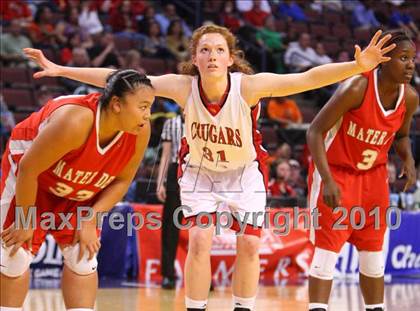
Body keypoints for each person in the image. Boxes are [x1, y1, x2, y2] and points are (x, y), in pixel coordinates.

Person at [24, 25, 394, 311]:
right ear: (196, 59)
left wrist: (356, 66)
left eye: (219, 50)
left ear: (230, 58)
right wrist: (60, 69)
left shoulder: (249, 87)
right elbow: (116, 78)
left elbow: (306, 79)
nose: (213, 55)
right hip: (200, 173)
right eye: (205, 50)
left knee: (249, 244)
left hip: (244, 173)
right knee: (199, 240)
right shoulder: (182, 87)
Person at [0, 70, 154, 311]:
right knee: (13, 255)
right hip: (32, 177)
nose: (148, 115)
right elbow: (29, 169)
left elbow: (122, 181)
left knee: (83, 258)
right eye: (143, 107)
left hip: (80, 186)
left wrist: (90, 219)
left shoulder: (140, 130)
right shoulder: (75, 121)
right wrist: (25, 219)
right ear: (116, 104)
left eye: (150, 108)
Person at [306, 30, 418, 311]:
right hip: (337, 172)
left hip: (374, 178)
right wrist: (328, 180)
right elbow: (315, 131)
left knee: (373, 256)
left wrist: (408, 160)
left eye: (413, 59)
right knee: (326, 255)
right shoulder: (357, 87)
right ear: (384, 60)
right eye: (403, 58)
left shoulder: (410, 98)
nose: (410, 64)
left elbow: (402, 136)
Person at [156, 113, 184, 289]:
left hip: (200, 171)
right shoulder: (171, 124)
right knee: (170, 226)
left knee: (203, 227)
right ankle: (168, 274)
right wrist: (160, 182)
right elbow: (166, 155)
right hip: (175, 171)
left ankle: (203, 275)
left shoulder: (205, 118)